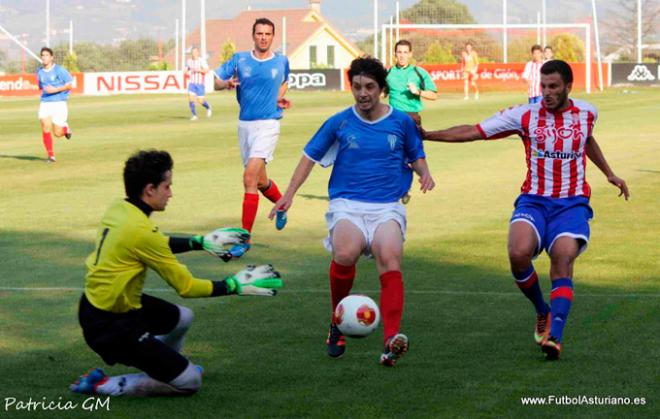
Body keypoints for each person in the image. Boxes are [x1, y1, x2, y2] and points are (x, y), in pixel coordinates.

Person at [422, 60, 629, 360]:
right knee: (518, 254)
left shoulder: (588, 112)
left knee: (562, 257)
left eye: (553, 86)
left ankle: (555, 337)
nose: (546, 92)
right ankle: (541, 310)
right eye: (543, 86)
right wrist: (428, 135)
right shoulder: (525, 115)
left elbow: (586, 141)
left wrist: (609, 172)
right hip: (533, 199)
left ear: (569, 86)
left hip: (571, 203)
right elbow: (474, 130)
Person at [69, 149, 283, 397]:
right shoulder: (140, 231)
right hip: (109, 326)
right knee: (190, 381)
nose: (171, 193)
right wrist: (233, 285)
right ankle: (101, 384)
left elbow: (154, 243)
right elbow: (187, 287)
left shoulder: (120, 209)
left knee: (183, 317)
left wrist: (199, 242)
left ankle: (162, 365)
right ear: (150, 189)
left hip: (109, 306)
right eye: (167, 186)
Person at [269, 57, 435, 367]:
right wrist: (288, 195)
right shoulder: (339, 122)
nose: (362, 93)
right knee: (345, 253)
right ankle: (337, 322)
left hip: (387, 206)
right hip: (347, 204)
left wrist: (424, 173)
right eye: (357, 86)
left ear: (381, 89)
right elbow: (308, 158)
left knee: (390, 257)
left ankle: (391, 339)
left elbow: (417, 154)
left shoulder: (401, 122)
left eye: (369, 87)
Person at [214, 18, 291, 259]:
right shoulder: (240, 59)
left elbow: (285, 81)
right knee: (259, 181)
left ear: (273, 36)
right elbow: (216, 82)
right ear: (253, 35)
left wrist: (278, 98)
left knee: (248, 177)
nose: (264, 37)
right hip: (245, 125)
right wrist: (225, 83)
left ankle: (244, 239)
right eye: (260, 33)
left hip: (268, 125)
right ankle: (281, 203)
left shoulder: (281, 61)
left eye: (268, 33)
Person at [386, 39, 437, 128]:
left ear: (410, 54)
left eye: (405, 52)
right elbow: (383, 93)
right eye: (399, 52)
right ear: (395, 54)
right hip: (393, 117)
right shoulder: (388, 72)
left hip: (412, 117)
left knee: (413, 142)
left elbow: (433, 95)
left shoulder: (418, 72)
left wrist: (418, 92)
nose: (402, 56)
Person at [37, 47, 73, 163]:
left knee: (57, 133)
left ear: (51, 57)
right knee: (45, 127)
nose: (44, 57)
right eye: (42, 55)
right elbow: (41, 87)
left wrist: (56, 89)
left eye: (47, 55)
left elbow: (69, 85)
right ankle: (51, 156)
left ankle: (66, 129)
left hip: (59, 103)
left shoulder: (59, 70)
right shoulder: (39, 72)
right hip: (45, 103)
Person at [185, 47, 212, 121]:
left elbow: (207, 70)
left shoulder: (201, 61)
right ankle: (194, 115)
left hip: (200, 84)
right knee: (191, 99)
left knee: (200, 101)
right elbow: (187, 68)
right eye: (192, 52)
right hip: (192, 83)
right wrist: (185, 71)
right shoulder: (189, 61)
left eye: (195, 52)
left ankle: (208, 107)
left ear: (197, 53)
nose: (193, 54)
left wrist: (199, 70)